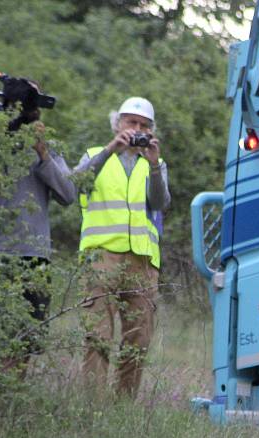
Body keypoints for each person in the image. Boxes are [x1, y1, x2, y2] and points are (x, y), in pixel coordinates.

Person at [0, 81, 76, 370]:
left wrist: (43, 154)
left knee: (27, 338)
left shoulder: (45, 145)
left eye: (34, 104)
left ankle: (9, 392)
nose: (33, 111)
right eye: (28, 104)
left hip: (34, 254)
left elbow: (68, 194)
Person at [74, 97, 171, 397]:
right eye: (131, 122)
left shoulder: (154, 163)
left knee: (138, 339)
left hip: (142, 261)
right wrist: (110, 149)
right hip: (100, 257)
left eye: (143, 125)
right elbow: (76, 183)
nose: (137, 129)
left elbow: (160, 203)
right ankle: (93, 407)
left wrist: (155, 165)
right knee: (98, 336)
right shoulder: (94, 155)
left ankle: (122, 408)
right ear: (117, 124)